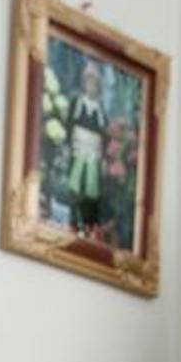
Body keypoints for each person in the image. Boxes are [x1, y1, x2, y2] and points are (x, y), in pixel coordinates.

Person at [67, 60, 111, 236]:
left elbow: (104, 131)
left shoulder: (100, 108)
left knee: (91, 186)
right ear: (84, 84)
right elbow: (71, 123)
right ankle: (73, 218)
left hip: (94, 150)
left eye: (95, 84)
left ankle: (89, 222)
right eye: (89, 83)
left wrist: (103, 154)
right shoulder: (78, 102)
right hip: (79, 146)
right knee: (75, 182)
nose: (92, 87)